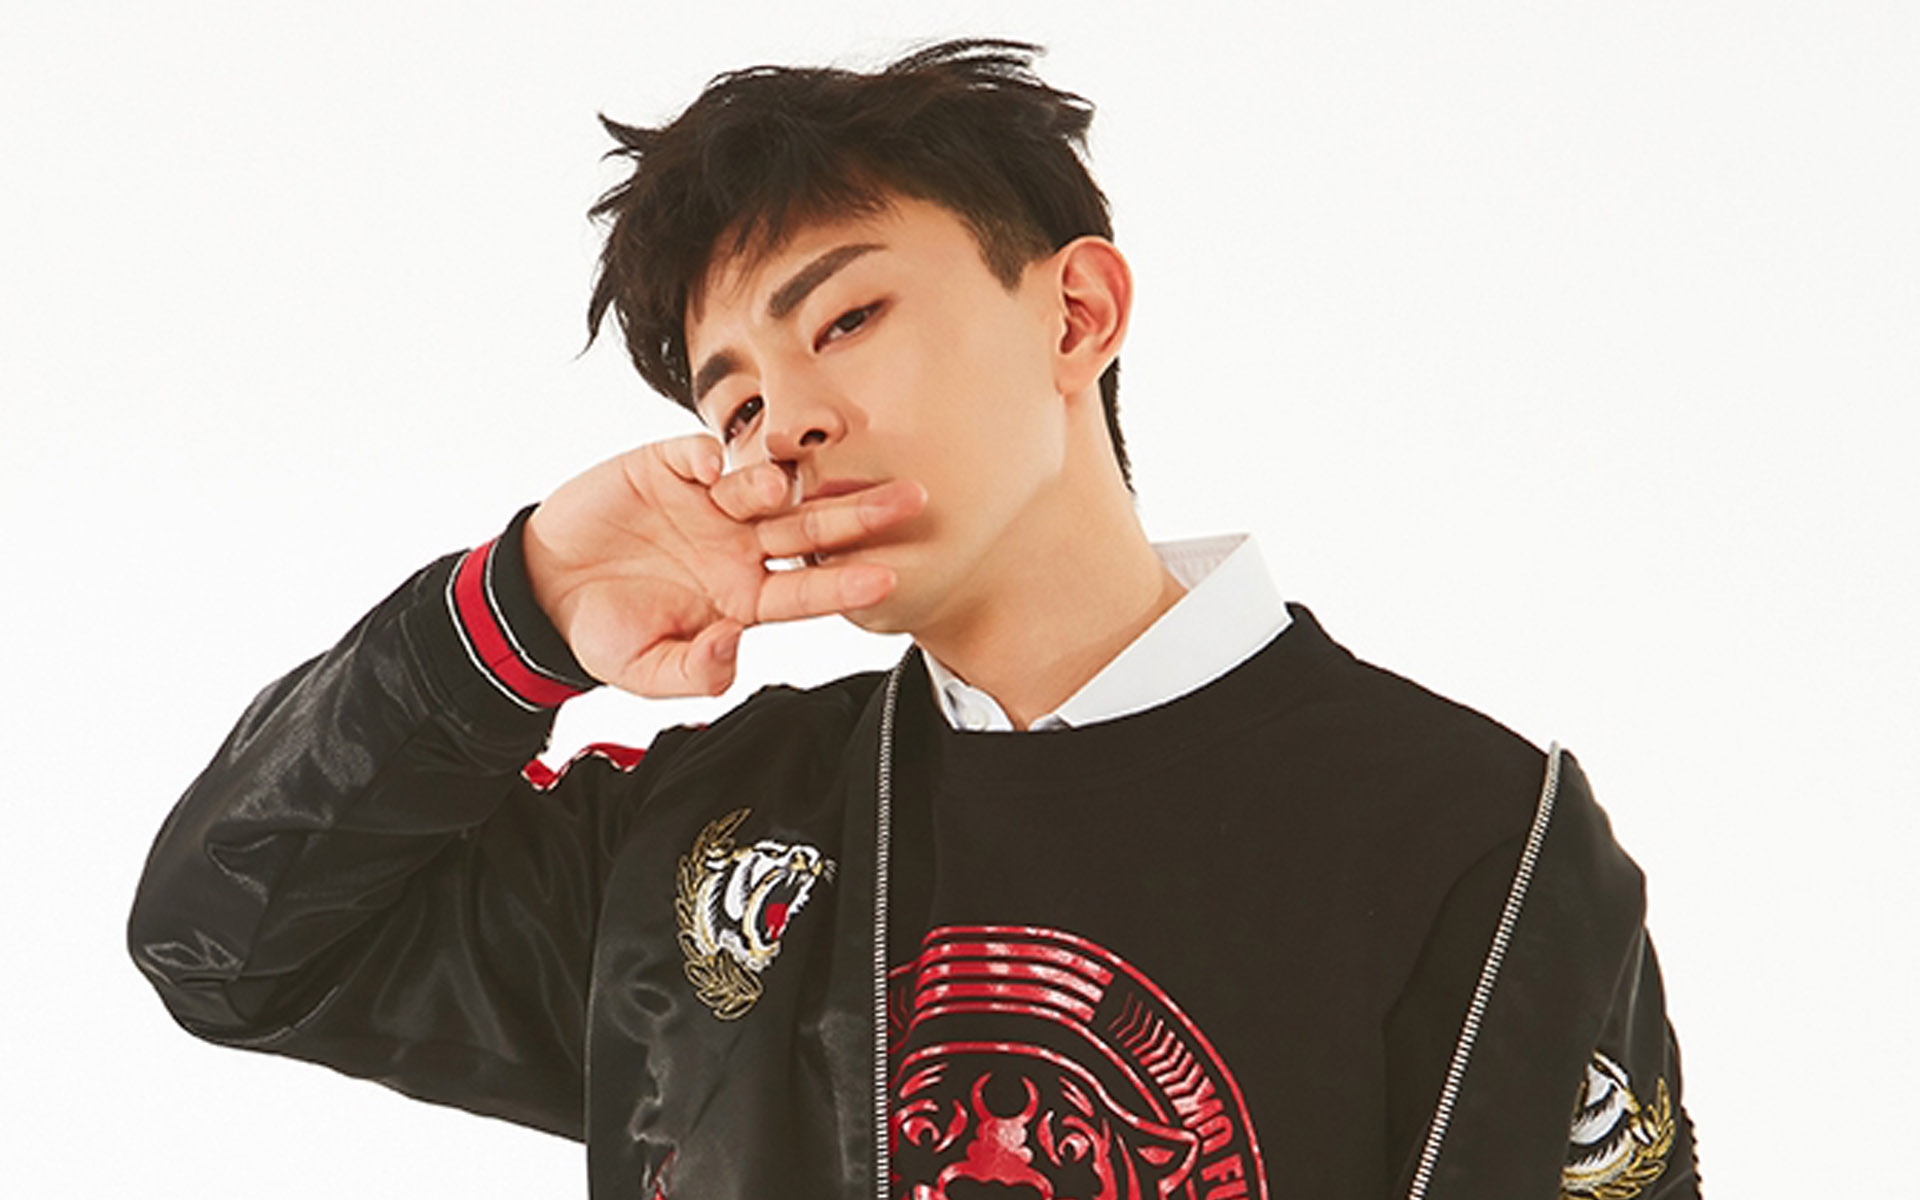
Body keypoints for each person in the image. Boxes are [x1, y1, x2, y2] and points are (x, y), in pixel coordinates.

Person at [128, 39, 1698, 1200]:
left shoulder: (1475, 837)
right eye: (735, 402)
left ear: (1075, 312)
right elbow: (231, 946)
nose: (787, 424)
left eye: (849, 318)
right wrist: (517, 613)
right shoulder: (706, 834)